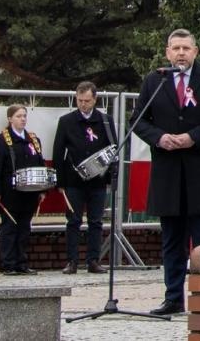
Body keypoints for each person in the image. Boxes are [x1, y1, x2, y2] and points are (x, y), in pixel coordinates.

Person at [132, 29, 200, 315]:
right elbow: (138, 120)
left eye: (186, 48)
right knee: (172, 241)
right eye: (175, 48)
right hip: (168, 173)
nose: (180, 53)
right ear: (167, 52)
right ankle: (173, 298)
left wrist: (193, 137)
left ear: (195, 51)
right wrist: (159, 137)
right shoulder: (155, 80)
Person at [51, 81, 116, 274]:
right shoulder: (66, 121)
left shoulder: (105, 120)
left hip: (97, 180)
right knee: (73, 221)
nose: (83, 104)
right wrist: (60, 181)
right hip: (74, 180)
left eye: (87, 101)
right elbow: (58, 152)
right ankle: (72, 261)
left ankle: (93, 260)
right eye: (79, 100)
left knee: (96, 221)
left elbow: (113, 148)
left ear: (95, 99)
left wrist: (109, 175)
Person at [0, 104, 48, 274]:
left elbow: (40, 164)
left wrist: (43, 189)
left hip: (29, 192)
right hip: (10, 193)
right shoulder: (0, 141)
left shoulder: (33, 140)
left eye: (24, 116)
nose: (22, 119)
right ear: (10, 119)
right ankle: (9, 264)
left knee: (24, 228)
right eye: (18, 116)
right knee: (9, 228)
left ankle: (22, 263)